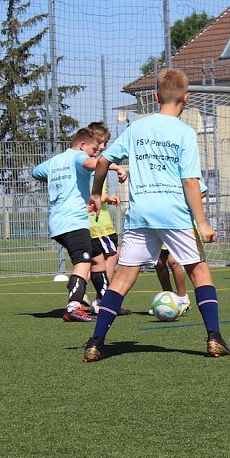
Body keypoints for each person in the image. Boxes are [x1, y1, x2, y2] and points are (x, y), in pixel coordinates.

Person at [83, 68, 230, 362]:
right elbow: (191, 182)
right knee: (199, 272)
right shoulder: (185, 133)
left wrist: (96, 193)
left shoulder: (137, 128)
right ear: (186, 98)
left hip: (141, 214)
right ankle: (214, 338)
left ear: (155, 97)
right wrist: (202, 222)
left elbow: (102, 162)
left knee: (123, 279)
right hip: (174, 214)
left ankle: (96, 341)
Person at [32, 126, 123, 322]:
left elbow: (36, 172)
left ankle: (103, 304)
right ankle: (73, 306)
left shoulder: (55, 162)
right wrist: (116, 166)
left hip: (58, 221)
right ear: (82, 145)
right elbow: (91, 163)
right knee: (83, 262)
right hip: (73, 221)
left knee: (97, 258)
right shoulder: (76, 156)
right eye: (93, 149)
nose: (96, 152)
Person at [85, 121, 132, 316]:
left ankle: (81, 292)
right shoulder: (88, 163)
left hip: (100, 222)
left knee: (95, 261)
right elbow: (89, 194)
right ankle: (102, 297)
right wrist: (106, 196)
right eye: (100, 143)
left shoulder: (91, 163)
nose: (103, 147)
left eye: (105, 143)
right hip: (98, 224)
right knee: (111, 256)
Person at [153, 182, 207, 315]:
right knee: (159, 263)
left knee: (173, 260)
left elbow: (202, 190)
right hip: (157, 222)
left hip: (180, 222)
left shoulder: (176, 172)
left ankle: (183, 299)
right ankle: (169, 299)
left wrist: (184, 203)